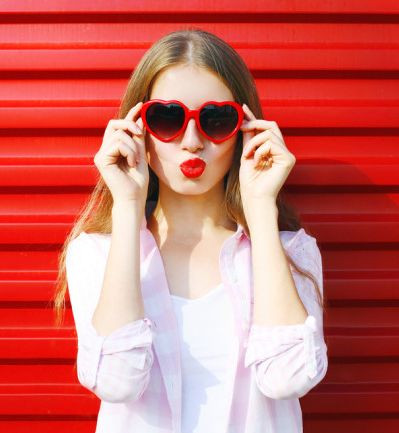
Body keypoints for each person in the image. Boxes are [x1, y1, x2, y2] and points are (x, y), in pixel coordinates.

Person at [53, 29, 328, 433]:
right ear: (137, 129)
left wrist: (260, 206)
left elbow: (288, 378)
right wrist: (129, 205)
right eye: (168, 118)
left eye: (217, 120)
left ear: (245, 130)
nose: (193, 141)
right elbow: (117, 382)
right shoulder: (95, 255)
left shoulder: (290, 254)